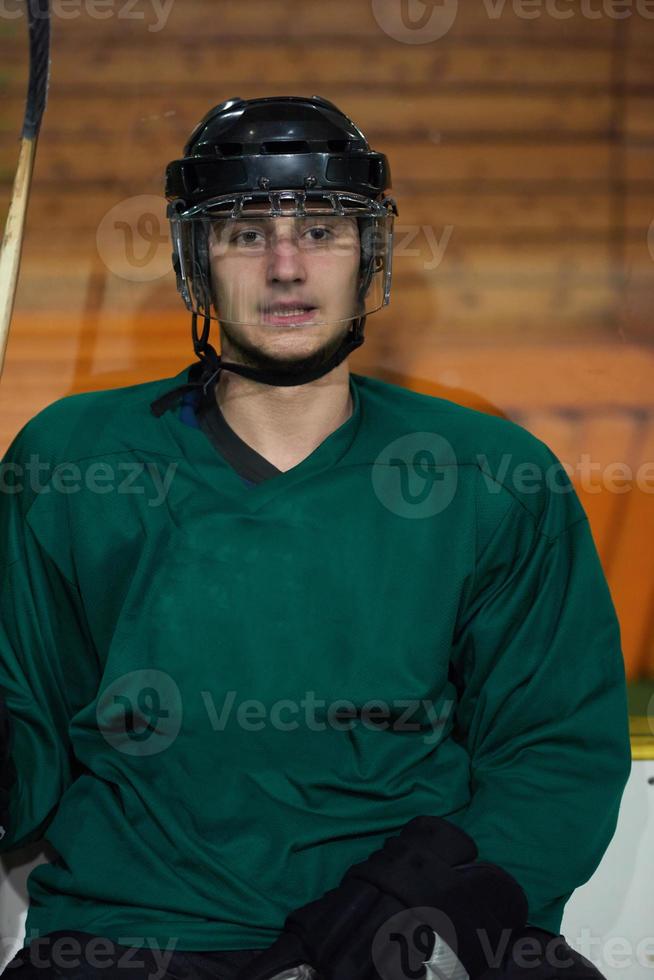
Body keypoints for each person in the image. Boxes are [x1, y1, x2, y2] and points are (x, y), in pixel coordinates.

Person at [0, 96, 632, 980]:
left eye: (324, 230)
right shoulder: (72, 461)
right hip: (139, 930)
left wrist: (428, 906)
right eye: (245, 233)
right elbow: (29, 721)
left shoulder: (489, 474)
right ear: (196, 261)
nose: (287, 267)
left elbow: (555, 750)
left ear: (369, 253)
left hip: (404, 919)